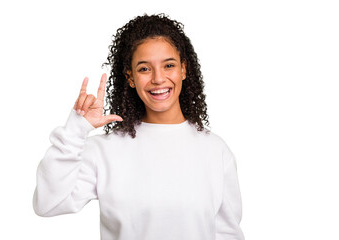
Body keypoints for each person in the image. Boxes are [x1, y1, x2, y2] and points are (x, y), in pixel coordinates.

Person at [33, 13, 245, 240]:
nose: (158, 78)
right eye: (144, 69)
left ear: (183, 69)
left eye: (169, 65)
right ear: (131, 77)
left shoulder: (215, 150)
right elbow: (47, 204)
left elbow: (227, 233)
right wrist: (77, 130)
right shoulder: (104, 151)